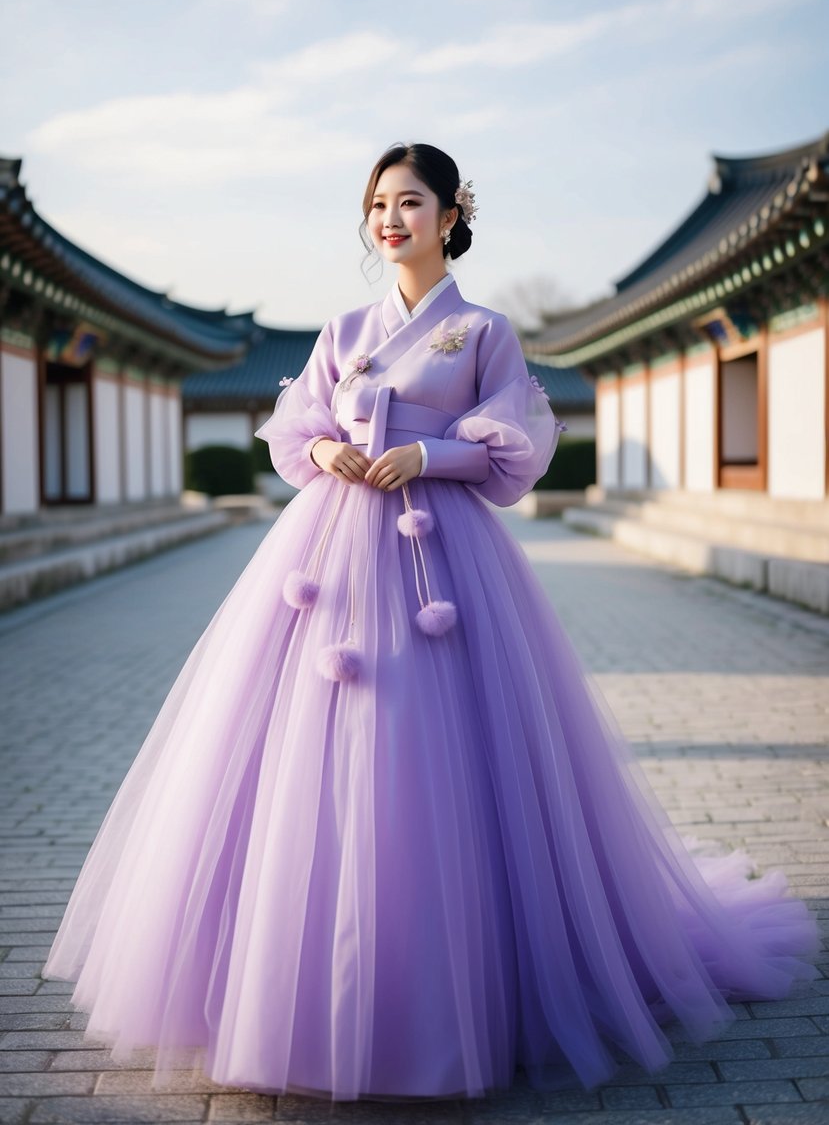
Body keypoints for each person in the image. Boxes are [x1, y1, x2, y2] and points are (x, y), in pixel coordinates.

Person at [42, 142, 819, 1103]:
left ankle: (458, 996)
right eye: (376, 205)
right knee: (318, 749)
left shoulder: (484, 330)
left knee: (432, 743)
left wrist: (427, 458)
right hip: (331, 553)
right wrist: (327, 448)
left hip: (442, 560)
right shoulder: (341, 329)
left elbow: (514, 448)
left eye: (410, 202)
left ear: (451, 215)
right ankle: (314, 988)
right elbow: (295, 431)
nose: (389, 220)